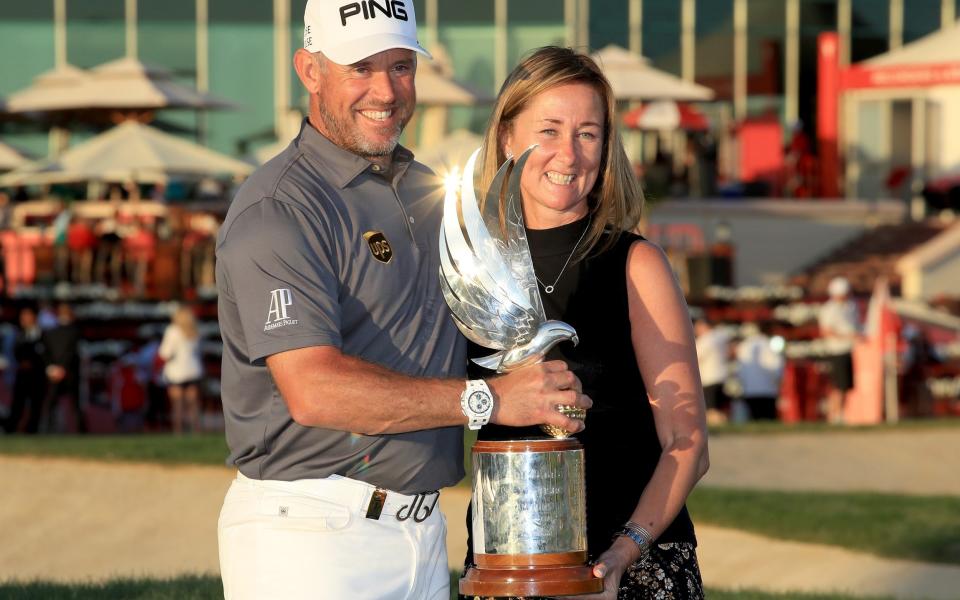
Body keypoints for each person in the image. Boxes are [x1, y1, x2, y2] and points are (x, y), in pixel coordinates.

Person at [214, 4, 590, 600]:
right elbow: (315, 390)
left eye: (401, 65)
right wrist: (491, 398)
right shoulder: (278, 210)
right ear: (309, 70)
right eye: (360, 67)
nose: (385, 90)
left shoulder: (428, 189)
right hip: (307, 535)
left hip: (420, 533)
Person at [461, 46, 710, 600]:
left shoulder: (635, 263)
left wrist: (625, 551)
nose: (568, 155)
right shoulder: (472, 270)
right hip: (506, 567)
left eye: (588, 134)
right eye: (548, 130)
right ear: (506, 136)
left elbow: (687, 441)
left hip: (631, 567)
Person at [818, 276, 860, 423]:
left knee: (845, 386)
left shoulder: (851, 307)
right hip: (837, 351)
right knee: (838, 386)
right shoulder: (829, 309)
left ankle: (842, 413)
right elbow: (826, 331)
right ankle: (835, 415)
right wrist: (847, 336)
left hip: (850, 351)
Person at [158, 305, 203, 433]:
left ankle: (178, 432)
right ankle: (197, 431)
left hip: (176, 373)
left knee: (177, 405)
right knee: (193, 405)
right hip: (194, 371)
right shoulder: (195, 329)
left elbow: (165, 353)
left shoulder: (172, 330)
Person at [39, 302, 82, 433]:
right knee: (57, 402)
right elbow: (48, 351)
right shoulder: (71, 331)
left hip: (62, 372)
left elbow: (69, 351)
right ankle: (53, 430)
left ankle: (79, 430)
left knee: (69, 404)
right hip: (63, 372)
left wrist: (54, 368)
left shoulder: (71, 331)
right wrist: (58, 368)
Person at [735, 322, 785, 420]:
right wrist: (779, 381)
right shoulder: (770, 345)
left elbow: (740, 370)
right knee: (768, 419)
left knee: (754, 419)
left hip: (750, 390)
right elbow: (777, 367)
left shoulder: (744, 345)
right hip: (768, 391)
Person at [694, 315, 731, 424]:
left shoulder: (705, 340)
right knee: (718, 407)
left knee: (711, 409)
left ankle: (719, 426)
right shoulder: (719, 338)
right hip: (721, 376)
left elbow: (696, 357)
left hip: (709, 378)